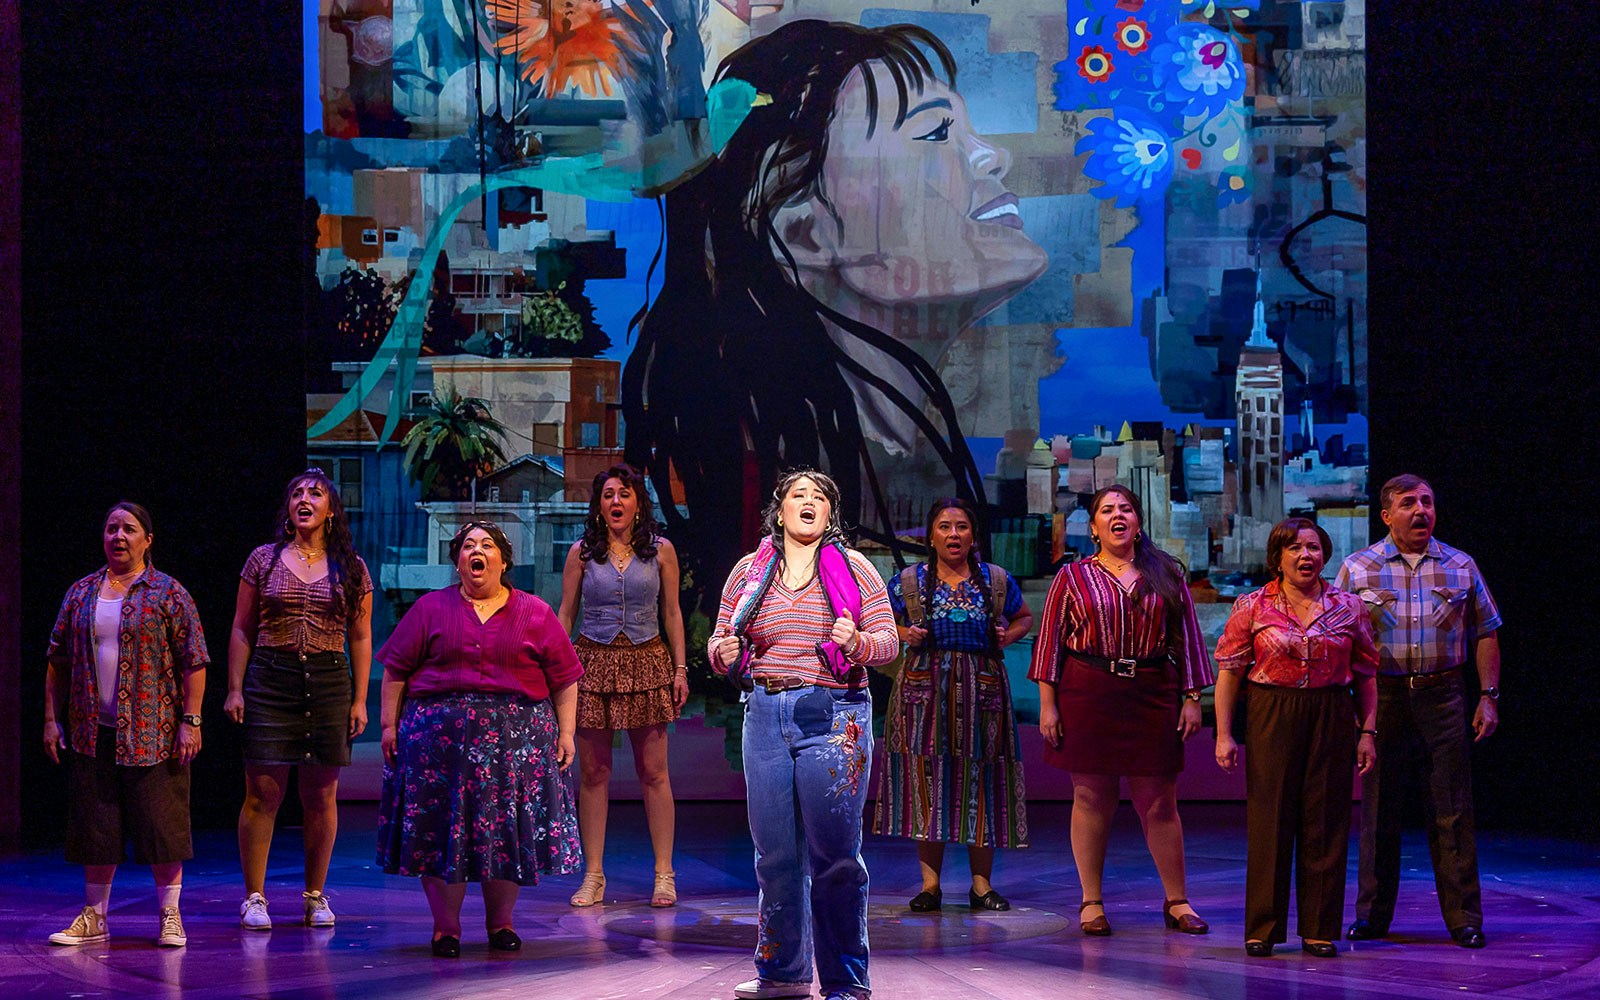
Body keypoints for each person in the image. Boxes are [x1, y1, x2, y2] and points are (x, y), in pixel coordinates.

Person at [623, 19, 1048, 612]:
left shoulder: (895, 461)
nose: (992, 157)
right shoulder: (782, 484)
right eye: (934, 131)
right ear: (805, 224)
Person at [708, 470, 899, 1000]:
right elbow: (721, 637)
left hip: (834, 712)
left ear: (830, 514)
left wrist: (858, 640)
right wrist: (720, 652)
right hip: (765, 710)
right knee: (774, 855)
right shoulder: (749, 571)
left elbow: (888, 643)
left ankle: (846, 981)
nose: (808, 503)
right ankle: (783, 973)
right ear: (781, 509)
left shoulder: (855, 568)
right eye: (799, 495)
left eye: (819, 497)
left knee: (835, 856)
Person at [376, 520, 582, 957]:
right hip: (437, 748)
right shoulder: (431, 608)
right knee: (440, 831)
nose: (477, 551)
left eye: (487, 545)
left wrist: (566, 733)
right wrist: (390, 726)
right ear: (458, 562)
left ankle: (501, 924)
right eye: (468, 545)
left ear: (502, 560)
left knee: (503, 831)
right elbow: (395, 669)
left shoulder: (535, 612)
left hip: (514, 747)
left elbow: (565, 677)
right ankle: (445, 927)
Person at [1028, 485, 1213, 936]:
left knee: (1159, 798)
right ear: (1093, 527)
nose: (1117, 515)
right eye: (1107, 510)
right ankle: (1091, 901)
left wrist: (1192, 698)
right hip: (1089, 690)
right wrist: (1048, 707)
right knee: (1091, 795)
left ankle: (1178, 900)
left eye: (1125, 508)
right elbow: (1050, 642)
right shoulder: (1072, 577)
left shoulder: (1165, 571)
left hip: (1151, 690)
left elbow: (1185, 637)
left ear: (1137, 521)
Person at [1336, 474, 1501, 949]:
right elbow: (1339, 638)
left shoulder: (1460, 565)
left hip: (1443, 695)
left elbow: (1486, 630)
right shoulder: (1357, 568)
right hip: (1381, 697)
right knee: (1379, 808)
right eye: (1409, 503)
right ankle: (1371, 916)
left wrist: (1488, 695)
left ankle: (1464, 919)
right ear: (1387, 515)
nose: (1421, 510)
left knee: (1452, 808)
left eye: (1427, 501)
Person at [43, 502, 209, 948]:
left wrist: (190, 721)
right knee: (95, 826)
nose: (119, 536)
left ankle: (170, 915)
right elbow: (57, 659)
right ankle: (94, 917)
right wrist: (50, 720)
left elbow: (194, 661)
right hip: (91, 731)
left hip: (154, 732)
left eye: (129, 529)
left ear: (147, 540)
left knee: (163, 826)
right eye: (111, 528)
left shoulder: (168, 593)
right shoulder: (81, 593)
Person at [1213, 517, 1380, 958]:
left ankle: (1320, 927)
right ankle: (1262, 928)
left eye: (1314, 547)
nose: (1306, 556)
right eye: (1295, 548)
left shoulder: (1349, 607)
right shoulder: (1252, 605)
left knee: (1326, 818)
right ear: (1278, 558)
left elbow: (1365, 675)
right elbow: (1229, 673)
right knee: (1270, 819)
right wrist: (1225, 734)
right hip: (1272, 709)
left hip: (1331, 710)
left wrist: (1367, 731)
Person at [224, 469, 373, 930]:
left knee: (321, 794)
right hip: (271, 676)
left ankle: (315, 895)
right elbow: (242, 628)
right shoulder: (263, 559)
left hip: (328, 679)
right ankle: (254, 896)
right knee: (264, 792)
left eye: (315, 493)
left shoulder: (351, 566)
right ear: (288, 508)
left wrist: (359, 699)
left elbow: (361, 636)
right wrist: (234, 686)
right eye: (297, 494)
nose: (304, 499)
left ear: (331, 510)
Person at [873, 497, 1033, 912]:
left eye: (961, 526)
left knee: (983, 782)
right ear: (931, 536)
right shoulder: (909, 581)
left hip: (983, 693)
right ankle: (930, 886)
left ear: (973, 536)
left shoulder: (994, 580)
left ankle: (982, 887)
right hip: (924, 695)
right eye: (944, 526)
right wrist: (904, 632)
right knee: (928, 781)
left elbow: (1024, 617)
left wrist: (1007, 636)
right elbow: (876, 621)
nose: (953, 534)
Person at [557, 463, 689, 908]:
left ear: (638, 503)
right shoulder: (580, 553)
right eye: (609, 494)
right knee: (593, 774)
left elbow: (672, 613)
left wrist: (680, 668)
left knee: (654, 773)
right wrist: (557, 673)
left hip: (647, 661)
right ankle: (593, 875)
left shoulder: (662, 550)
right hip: (591, 664)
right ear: (598, 505)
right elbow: (565, 615)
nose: (616, 501)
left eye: (624, 494)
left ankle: (664, 875)